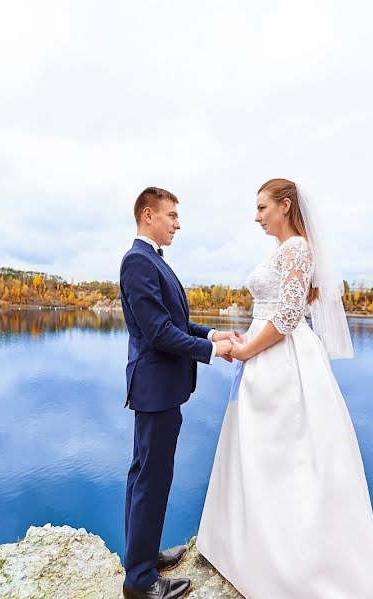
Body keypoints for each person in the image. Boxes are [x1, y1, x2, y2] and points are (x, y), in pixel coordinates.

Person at [196, 178, 373, 599]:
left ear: (285, 205)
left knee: (286, 454)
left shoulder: (297, 249)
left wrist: (245, 350)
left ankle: (293, 563)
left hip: (281, 361)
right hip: (264, 355)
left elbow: (290, 315)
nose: (256, 217)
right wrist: (245, 345)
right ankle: (251, 548)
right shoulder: (282, 251)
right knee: (260, 452)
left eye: (261, 208)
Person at [120, 186, 241, 599]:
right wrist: (211, 351)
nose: (178, 223)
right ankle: (139, 582)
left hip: (161, 389)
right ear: (148, 214)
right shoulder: (138, 261)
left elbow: (175, 321)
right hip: (155, 389)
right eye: (171, 215)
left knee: (146, 476)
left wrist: (210, 332)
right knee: (150, 479)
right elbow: (157, 333)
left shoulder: (152, 260)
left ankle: (142, 557)